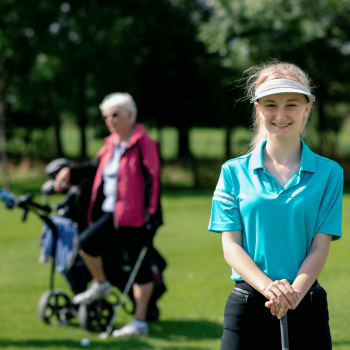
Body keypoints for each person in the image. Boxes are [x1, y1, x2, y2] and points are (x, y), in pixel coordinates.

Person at [208, 61, 343, 350]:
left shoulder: (330, 173)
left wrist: (292, 293)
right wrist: (271, 289)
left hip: (305, 302)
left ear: (307, 108)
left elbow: (321, 246)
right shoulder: (232, 172)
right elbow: (230, 245)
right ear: (257, 109)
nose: (281, 114)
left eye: (291, 104)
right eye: (270, 105)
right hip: (247, 305)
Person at [54, 92, 162, 337]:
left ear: (130, 115)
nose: (110, 120)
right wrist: (70, 171)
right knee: (86, 244)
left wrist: (152, 215)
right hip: (111, 213)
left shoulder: (144, 143)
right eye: (106, 116)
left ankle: (139, 322)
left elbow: (152, 179)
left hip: (136, 218)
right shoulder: (111, 144)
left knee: (140, 269)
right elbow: (95, 167)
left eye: (115, 114)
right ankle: (101, 284)